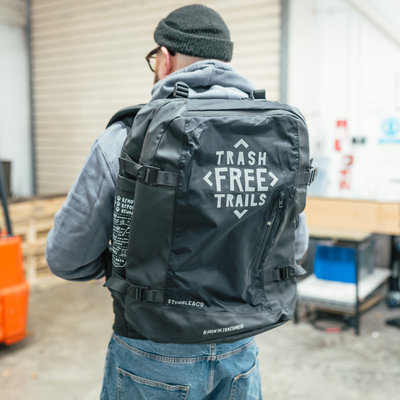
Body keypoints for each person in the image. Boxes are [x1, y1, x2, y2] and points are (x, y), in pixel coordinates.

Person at [46, 4, 309, 399]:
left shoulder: (128, 136)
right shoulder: (270, 134)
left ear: (164, 59)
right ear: (224, 60)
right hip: (240, 345)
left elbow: (65, 256)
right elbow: (296, 247)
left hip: (152, 349)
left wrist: (117, 266)